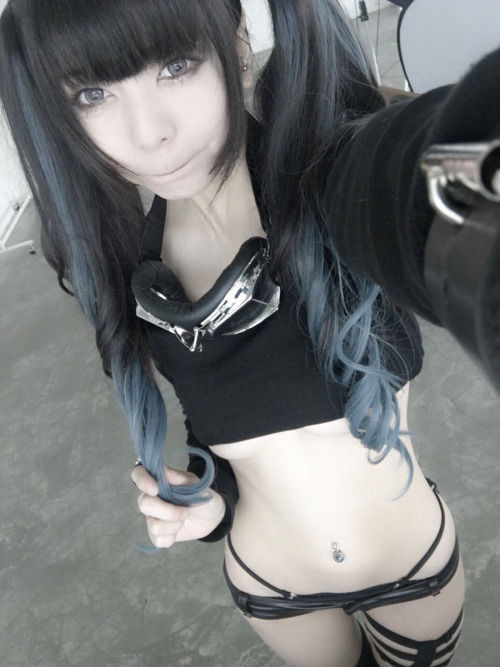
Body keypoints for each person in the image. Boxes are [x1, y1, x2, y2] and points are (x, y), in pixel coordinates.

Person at [4, 0, 500, 664]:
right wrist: (210, 503)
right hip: (273, 586)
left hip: (408, 570)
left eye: (175, 65)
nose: (148, 133)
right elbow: (217, 431)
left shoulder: (333, 179)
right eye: (92, 94)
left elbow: (434, 189)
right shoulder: (142, 278)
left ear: (236, 42)